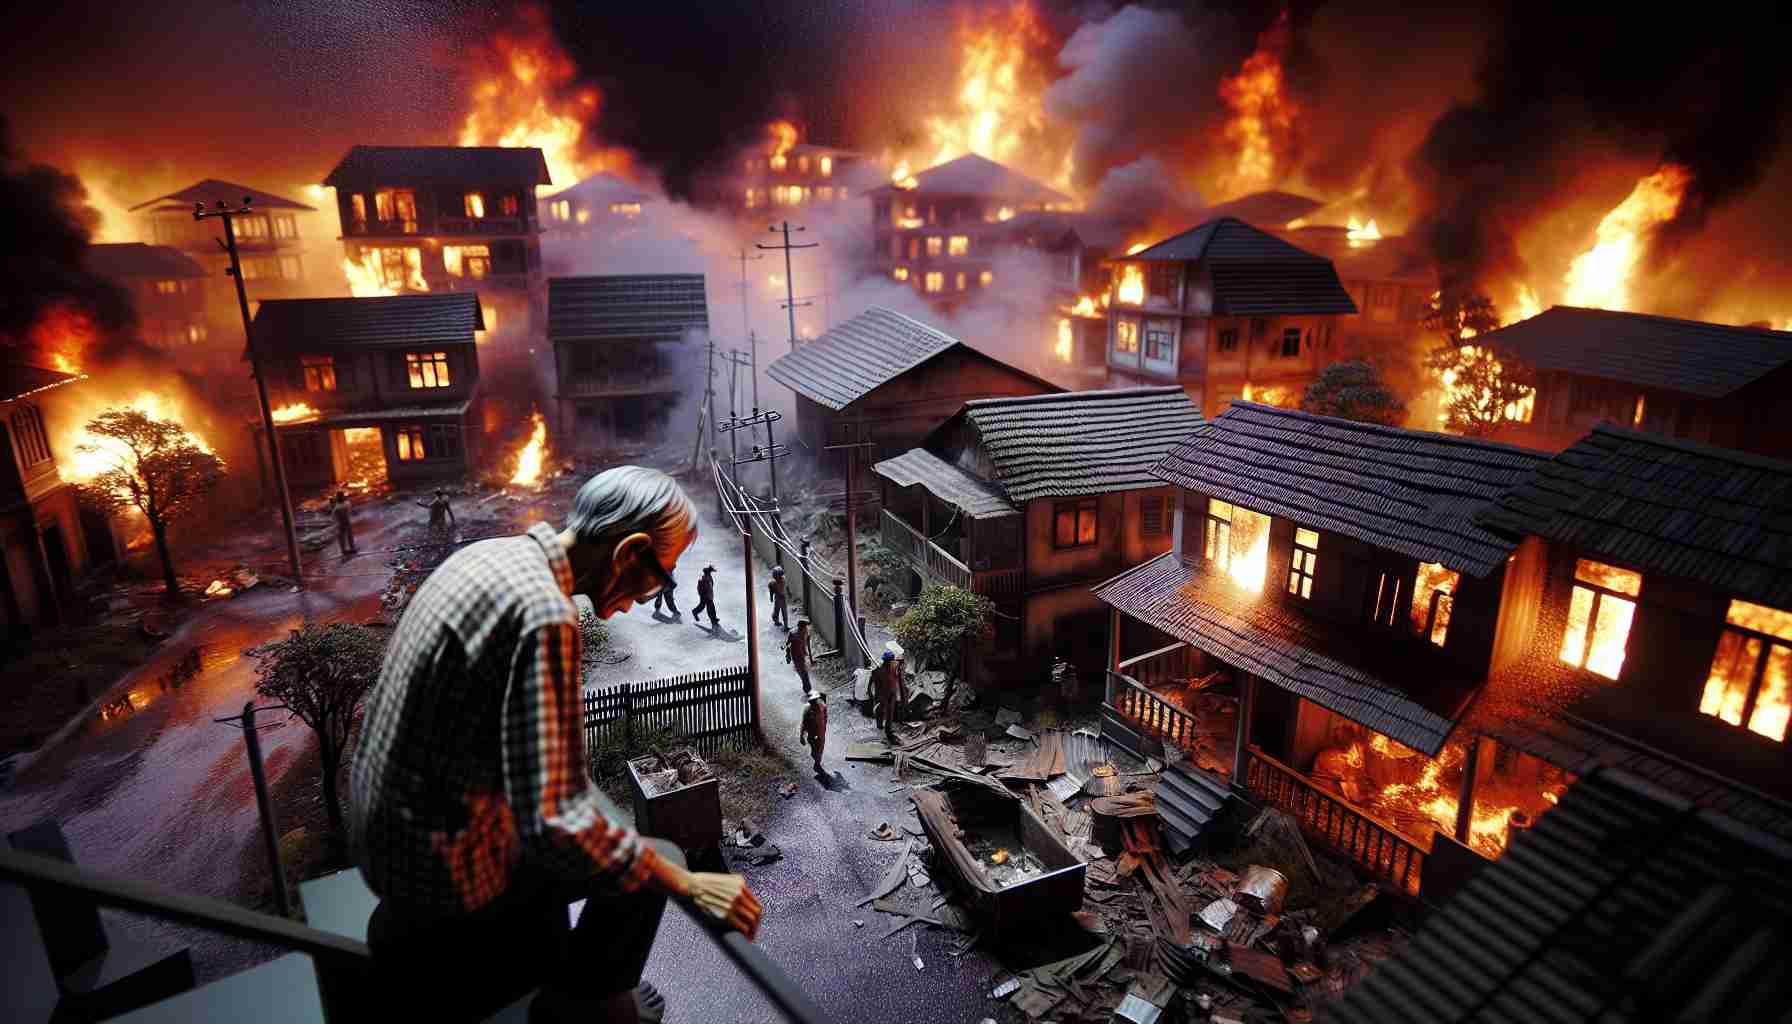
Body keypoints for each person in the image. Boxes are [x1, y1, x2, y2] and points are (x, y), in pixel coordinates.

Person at [350, 466, 761, 1024]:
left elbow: (543, 772)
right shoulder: (546, 613)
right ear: (630, 552)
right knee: (658, 858)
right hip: (443, 876)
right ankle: (582, 1006)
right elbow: (555, 822)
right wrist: (692, 882)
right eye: (662, 577)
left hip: (389, 850)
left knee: (609, 832)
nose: (652, 597)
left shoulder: (490, 556)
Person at [871, 649, 906, 742]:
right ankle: (879, 725)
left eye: (891, 660)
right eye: (889, 661)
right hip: (882, 694)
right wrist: (874, 695)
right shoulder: (878, 670)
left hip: (891, 692)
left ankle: (888, 729)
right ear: (885, 661)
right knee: (881, 710)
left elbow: (899, 663)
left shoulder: (894, 665)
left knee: (890, 711)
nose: (890, 662)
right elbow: (875, 683)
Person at [800, 691, 828, 774]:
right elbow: (804, 723)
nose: (812, 702)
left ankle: (817, 764)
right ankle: (816, 760)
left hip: (821, 732)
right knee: (814, 751)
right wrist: (801, 735)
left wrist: (824, 726)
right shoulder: (807, 709)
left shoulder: (822, 706)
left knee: (820, 749)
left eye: (814, 700)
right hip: (812, 733)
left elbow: (825, 716)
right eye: (810, 700)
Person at [786, 619, 813, 694]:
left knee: (803, 672)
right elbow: (787, 644)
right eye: (805, 627)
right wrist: (787, 655)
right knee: (803, 673)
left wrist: (810, 658)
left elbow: (808, 644)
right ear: (802, 627)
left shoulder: (806, 632)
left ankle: (807, 689)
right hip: (795, 655)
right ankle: (808, 690)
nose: (806, 628)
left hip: (802, 654)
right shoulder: (793, 633)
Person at [691, 564, 720, 629]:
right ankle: (714, 622)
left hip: (706, 595)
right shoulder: (705, 577)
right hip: (706, 596)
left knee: (702, 606)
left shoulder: (707, 576)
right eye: (712, 570)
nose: (713, 571)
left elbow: (709, 587)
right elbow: (705, 587)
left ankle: (695, 612)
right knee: (710, 608)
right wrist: (706, 595)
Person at [331, 490, 356, 555]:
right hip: (345, 521)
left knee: (343, 536)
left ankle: (345, 550)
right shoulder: (347, 503)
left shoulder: (338, 507)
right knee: (348, 536)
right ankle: (351, 548)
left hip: (341, 522)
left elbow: (334, 515)